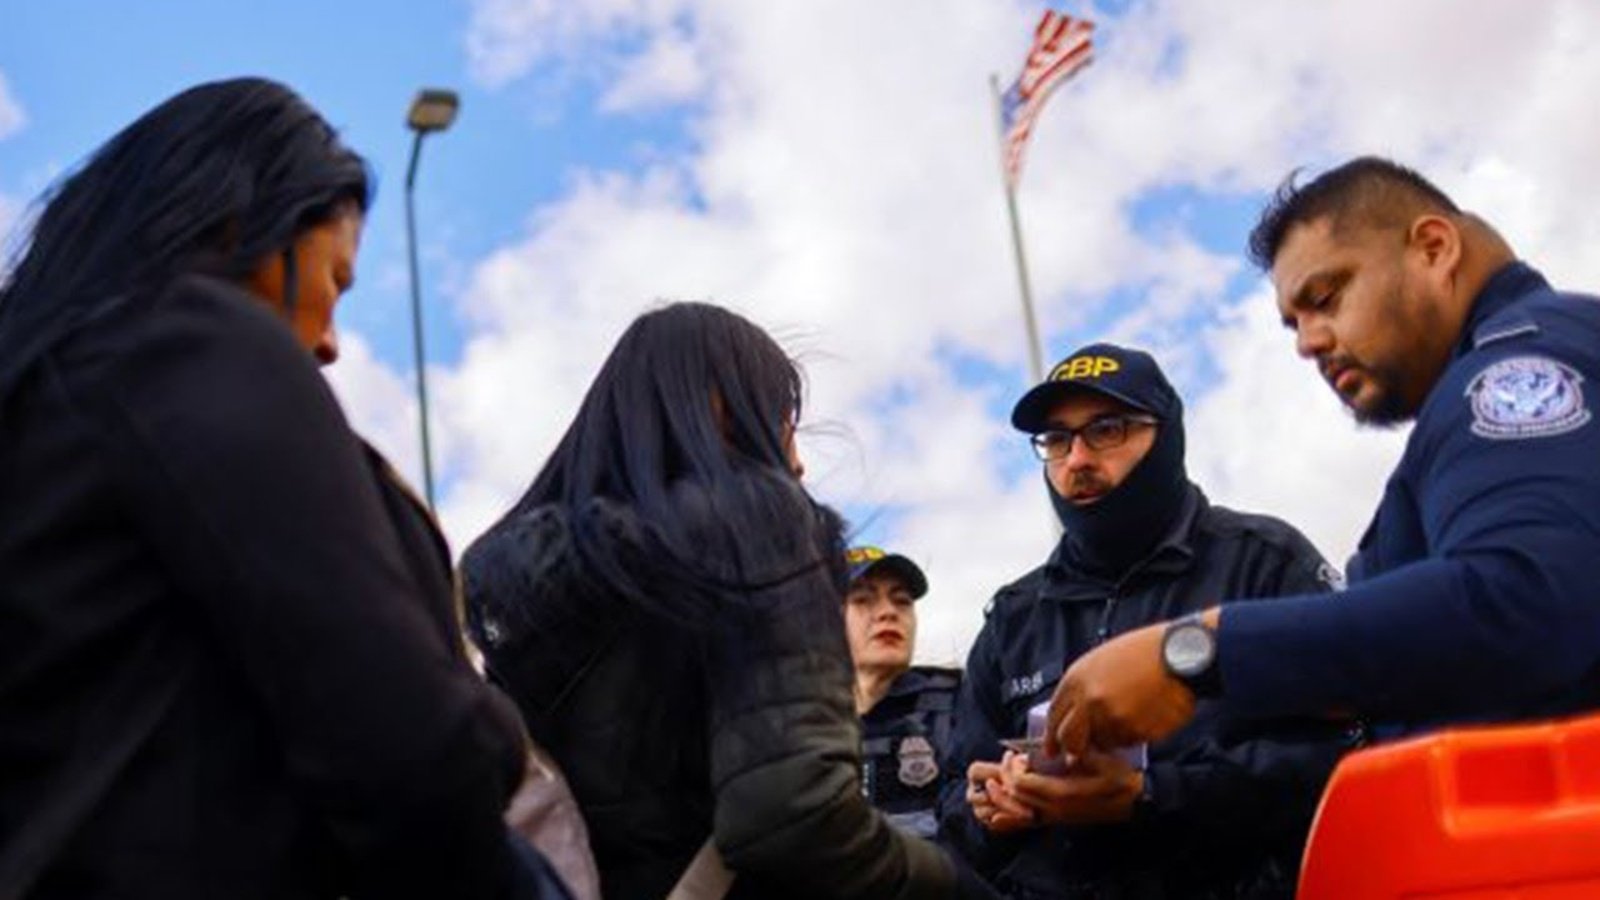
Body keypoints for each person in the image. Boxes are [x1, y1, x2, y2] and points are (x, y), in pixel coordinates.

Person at [0, 79, 545, 900]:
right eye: (334, 279)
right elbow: (403, 738)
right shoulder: (189, 341)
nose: (328, 344)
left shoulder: (43, 398)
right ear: (235, 228)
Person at [1046, 157, 1600, 782]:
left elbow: (1525, 604)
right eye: (1294, 322)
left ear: (1434, 248)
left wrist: (1193, 650)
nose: (1307, 342)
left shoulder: (1517, 369)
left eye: (1326, 298)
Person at [462, 302, 997, 900]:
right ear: (722, 410)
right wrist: (957, 887)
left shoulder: (528, 595)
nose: (797, 460)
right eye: (782, 417)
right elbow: (795, 815)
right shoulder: (757, 520)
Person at [940, 343, 1351, 899]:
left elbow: (1339, 760)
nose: (1077, 459)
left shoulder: (1264, 562)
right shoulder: (1015, 617)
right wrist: (989, 810)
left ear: (1167, 435)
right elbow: (953, 810)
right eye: (1057, 440)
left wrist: (1151, 793)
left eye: (1106, 430)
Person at [843, 545, 961, 838]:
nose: (888, 612)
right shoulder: (793, 724)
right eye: (863, 600)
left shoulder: (958, 702)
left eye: (902, 601)